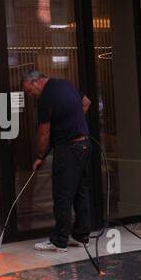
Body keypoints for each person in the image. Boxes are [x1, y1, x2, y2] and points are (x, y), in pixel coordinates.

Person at [20, 69, 92, 252]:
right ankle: (82, 235)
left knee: (62, 194)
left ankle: (60, 240)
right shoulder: (65, 84)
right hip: (84, 144)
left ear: (36, 82)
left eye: (29, 90)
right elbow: (86, 103)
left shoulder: (46, 97)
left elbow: (44, 133)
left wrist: (39, 156)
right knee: (80, 191)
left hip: (68, 148)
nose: (30, 95)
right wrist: (73, 122)